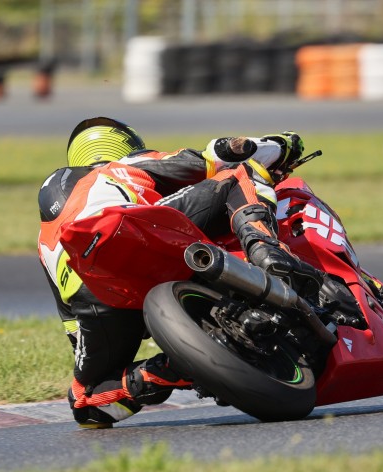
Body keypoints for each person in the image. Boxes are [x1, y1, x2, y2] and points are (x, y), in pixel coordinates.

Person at [38, 117, 323, 428]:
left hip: (94, 293)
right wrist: (282, 145)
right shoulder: (123, 165)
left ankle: (169, 369)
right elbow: (220, 155)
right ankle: (266, 250)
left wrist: (97, 348)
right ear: (125, 144)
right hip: (132, 230)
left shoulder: (45, 237)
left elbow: (72, 325)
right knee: (238, 175)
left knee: (87, 401)